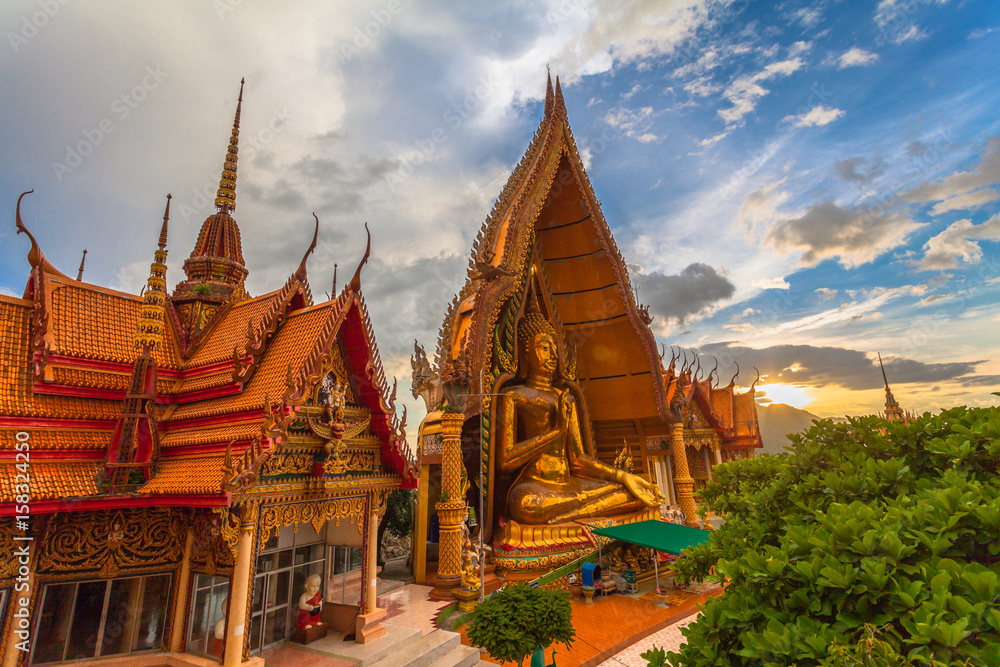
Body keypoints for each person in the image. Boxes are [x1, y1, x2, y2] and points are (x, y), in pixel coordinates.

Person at [496, 310, 663, 524]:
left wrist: (622, 476)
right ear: (524, 353)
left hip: (570, 486)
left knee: (633, 493)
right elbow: (506, 460)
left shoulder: (565, 398)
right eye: (545, 348)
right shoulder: (514, 396)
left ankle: (572, 514)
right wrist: (556, 432)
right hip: (536, 487)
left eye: (555, 349)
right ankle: (580, 512)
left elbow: (577, 459)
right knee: (524, 505)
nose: (554, 355)